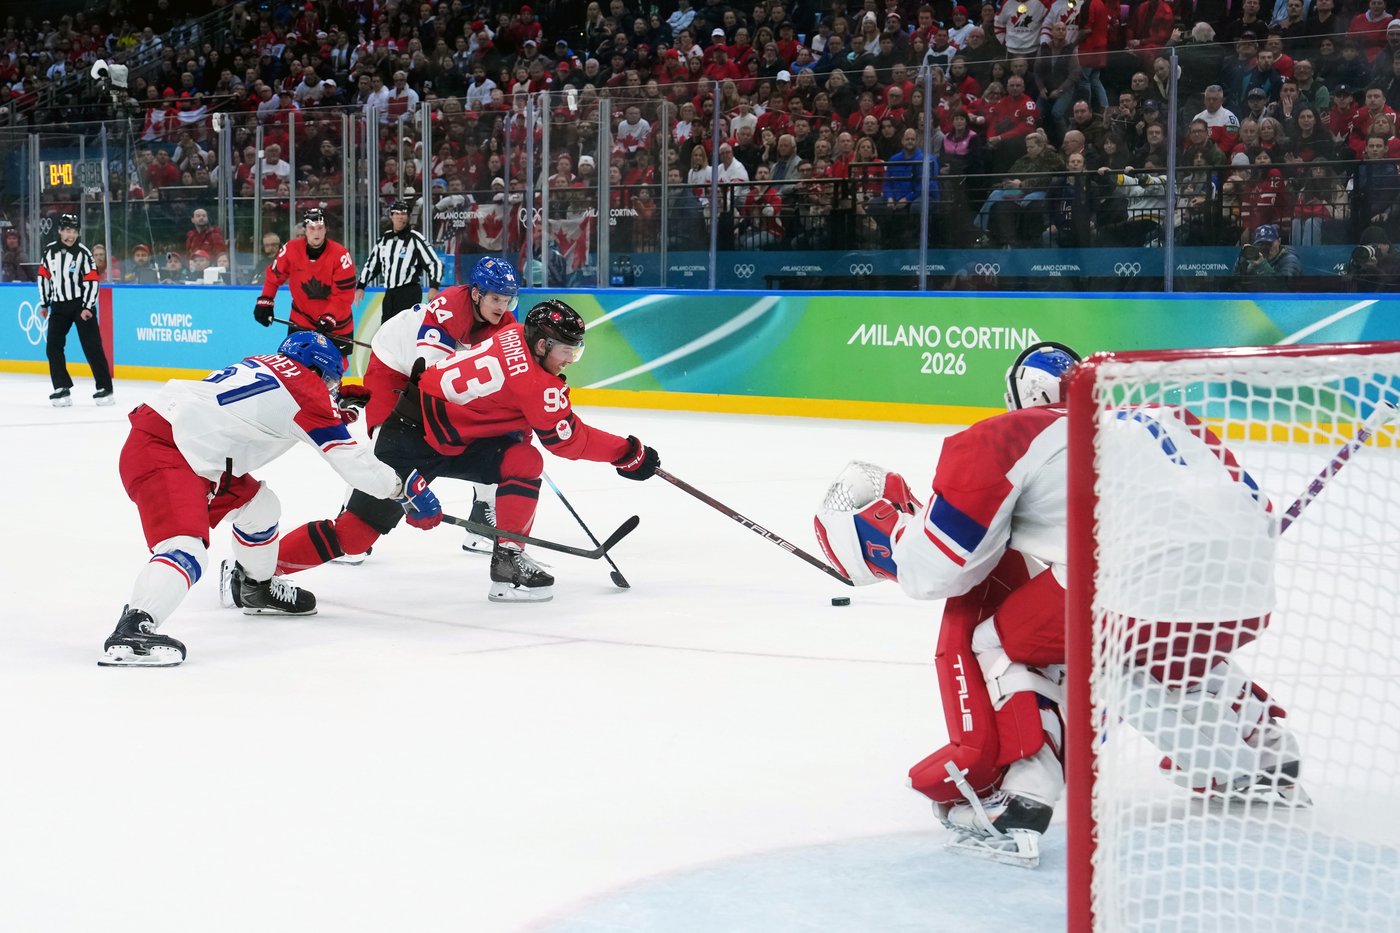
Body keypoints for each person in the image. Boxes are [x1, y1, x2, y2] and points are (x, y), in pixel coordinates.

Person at [813, 343, 1303, 866]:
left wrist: (893, 534)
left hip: (1135, 583)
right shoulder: (1164, 418)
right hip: (1249, 586)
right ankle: (1257, 754)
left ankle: (1022, 794)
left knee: (1002, 642)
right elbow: (1253, 507)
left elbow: (942, 568)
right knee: (1139, 651)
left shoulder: (1004, 435)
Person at [270, 299, 661, 603]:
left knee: (523, 459)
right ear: (541, 343)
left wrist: (514, 421)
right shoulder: (538, 386)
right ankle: (253, 571)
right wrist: (628, 453)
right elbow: (569, 441)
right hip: (409, 439)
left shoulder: (511, 335)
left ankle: (508, 559)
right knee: (353, 536)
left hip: (452, 435)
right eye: (566, 352)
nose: (569, 362)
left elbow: (498, 394)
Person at [99, 331, 443, 668]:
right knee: (185, 549)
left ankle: (255, 588)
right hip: (171, 452)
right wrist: (402, 490)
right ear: (320, 373)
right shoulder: (308, 393)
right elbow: (354, 463)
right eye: (332, 383)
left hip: (192, 449)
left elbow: (279, 408)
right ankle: (133, 630)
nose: (333, 390)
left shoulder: (269, 366)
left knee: (261, 508)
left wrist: (333, 409)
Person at [350, 256, 522, 561]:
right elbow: (431, 378)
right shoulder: (450, 309)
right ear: (476, 293)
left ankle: (482, 516)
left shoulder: (505, 324)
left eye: (507, 300)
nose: (502, 306)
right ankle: (354, 521)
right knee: (388, 447)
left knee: (492, 442)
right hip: (394, 364)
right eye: (495, 297)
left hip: (433, 372)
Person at [253, 208, 357, 352]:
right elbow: (274, 277)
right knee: (294, 365)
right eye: (312, 228)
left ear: (326, 229)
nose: (316, 233)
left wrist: (330, 317)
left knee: (333, 370)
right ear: (305, 230)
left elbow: (344, 295)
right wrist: (265, 300)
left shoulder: (341, 255)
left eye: (320, 228)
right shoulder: (291, 249)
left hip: (337, 324)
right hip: (301, 320)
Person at [36, 213, 112, 408]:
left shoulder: (84, 253)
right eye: (67, 230)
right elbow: (44, 277)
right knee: (53, 346)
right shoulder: (49, 251)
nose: (71, 235)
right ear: (60, 231)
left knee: (92, 346)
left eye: (74, 231)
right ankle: (61, 387)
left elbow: (92, 280)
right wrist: (44, 303)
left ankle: (105, 388)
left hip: (81, 305)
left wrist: (88, 306)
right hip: (59, 306)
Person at [355, 198, 445, 324]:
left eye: (403, 214)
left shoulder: (415, 238)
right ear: (391, 216)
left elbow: (434, 263)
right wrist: (361, 286)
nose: (400, 217)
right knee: (386, 332)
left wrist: (434, 286)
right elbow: (372, 264)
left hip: (409, 292)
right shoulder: (385, 239)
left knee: (406, 331)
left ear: (408, 217)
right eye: (397, 213)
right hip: (390, 293)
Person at [1234, 222, 1302, 277]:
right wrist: (1243, 262)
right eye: (1262, 244)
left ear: (1279, 241)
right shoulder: (1254, 258)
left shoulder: (1289, 260)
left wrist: (1262, 266)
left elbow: (1284, 287)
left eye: (1269, 243)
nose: (1266, 247)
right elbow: (1235, 284)